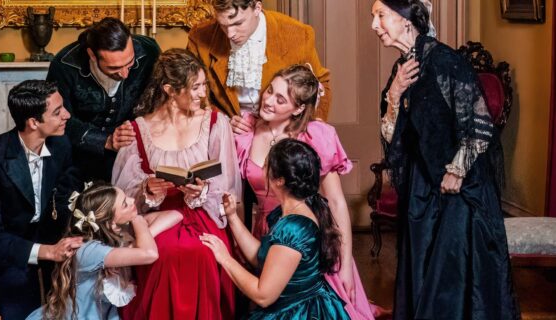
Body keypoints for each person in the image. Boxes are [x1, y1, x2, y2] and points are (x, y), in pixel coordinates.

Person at [371, 1, 519, 318]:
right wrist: (394, 95)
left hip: (459, 195)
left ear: (407, 20)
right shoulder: (403, 67)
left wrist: (457, 170)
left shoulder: (444, 61)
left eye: (380, 16)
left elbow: (479, 125)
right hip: (421, 192)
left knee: (450, 285)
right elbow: (391, 136)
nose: (374, 25)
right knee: (421, 277)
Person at [231, 64, 377, 319]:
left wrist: (344, 266)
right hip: (266, 230)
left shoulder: (316, 135)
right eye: (269, 91)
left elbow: (336, 202)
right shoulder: (247, 128)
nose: (268, 101)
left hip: (308, 235)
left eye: (280, 99)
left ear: (298, 108)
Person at [111, 48, 242, 319]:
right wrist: (148, 190)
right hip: (155, 217)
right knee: (162, 254)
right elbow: (122, 194)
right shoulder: (137, 130)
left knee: (203, 253)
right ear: (170, 89)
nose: (203, 94)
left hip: (204, 214)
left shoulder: (217, 123)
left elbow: (228, 185)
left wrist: (203, 190)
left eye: (204, 85)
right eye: (195, 87)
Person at [0, 80, 83, 318]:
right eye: (58, 111)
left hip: (51, 233)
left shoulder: (60, 144)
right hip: (10, 244)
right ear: (33, 122)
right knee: (16, 286)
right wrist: (47, 251)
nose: (67, 115)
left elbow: (67, 189)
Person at [201, 139, 349, 319]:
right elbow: (264, 258)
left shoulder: (294, 227)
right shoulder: (294, 210)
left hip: (297, 312)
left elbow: (263, 295)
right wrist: (232, 217)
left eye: (265, 166)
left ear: (279, 181)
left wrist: (225, 258)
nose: (262, 171)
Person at [26, 183, 183, 320]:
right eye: (124, 204)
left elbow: (175, 214)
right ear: (109, 222)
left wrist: (137, 236)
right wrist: (139, 222)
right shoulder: (88, 250)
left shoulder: (117, 231)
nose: (132, 200)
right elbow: (150, 254)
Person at [47, 17, 161, 182]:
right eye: (114, 68)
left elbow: (160, 95)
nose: (124, 74)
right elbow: (56, 118)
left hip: (132, 153)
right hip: (78, 155)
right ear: (92, 55)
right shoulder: (64, 65)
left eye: (129, 63)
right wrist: (105, 140)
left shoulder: (148, 51)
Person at [187, 0, 332, 121]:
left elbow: (320, 85)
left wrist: (308, 127)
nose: (230, 34)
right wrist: (221, 122)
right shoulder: (199, 37)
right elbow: (191, 92)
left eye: (238, 23)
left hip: (285, 130)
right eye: (223, 25)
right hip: (229, 133)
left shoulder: (299, 34)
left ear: (257, 8)